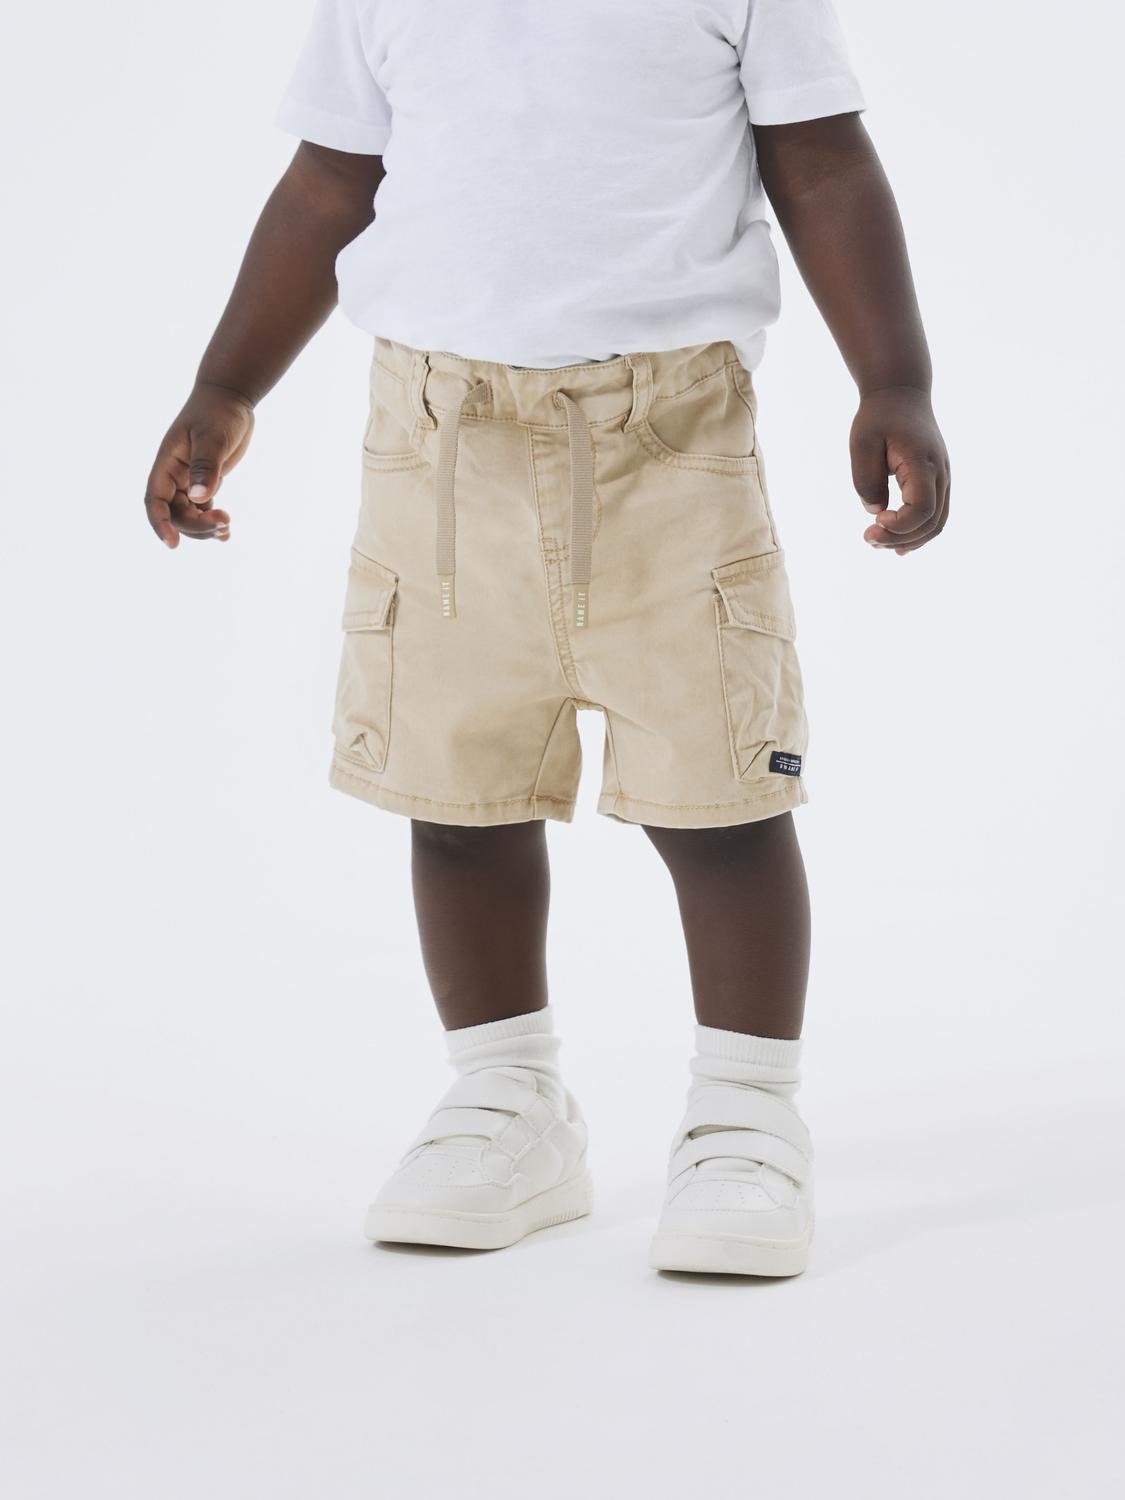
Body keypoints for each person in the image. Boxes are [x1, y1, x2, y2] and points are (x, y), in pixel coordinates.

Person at [144, 0, 949, 1276]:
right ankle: (507, 1099)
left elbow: (824, 163)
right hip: (439, 446)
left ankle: (746, 1121)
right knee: (458, 799)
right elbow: (329, 180)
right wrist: (225, 384)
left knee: (723, 801)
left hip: (669, 445)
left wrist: (893, 379)